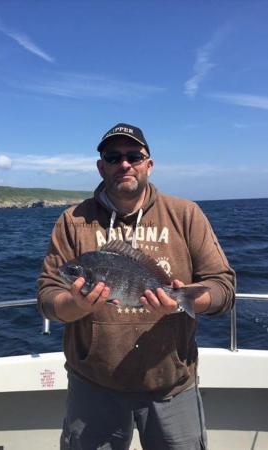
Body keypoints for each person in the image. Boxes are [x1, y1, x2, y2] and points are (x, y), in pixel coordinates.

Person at [37, 123, 236, 450]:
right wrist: (78, 306)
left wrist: (182, 301)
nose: (124, 164)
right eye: (113, 157)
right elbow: (47, 295)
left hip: (171, 386)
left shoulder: (186, 214)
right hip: (93, 387)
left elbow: (223, 289)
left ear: (148, 164)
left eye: (133, 156)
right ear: (101, 166)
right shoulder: (72, 220)